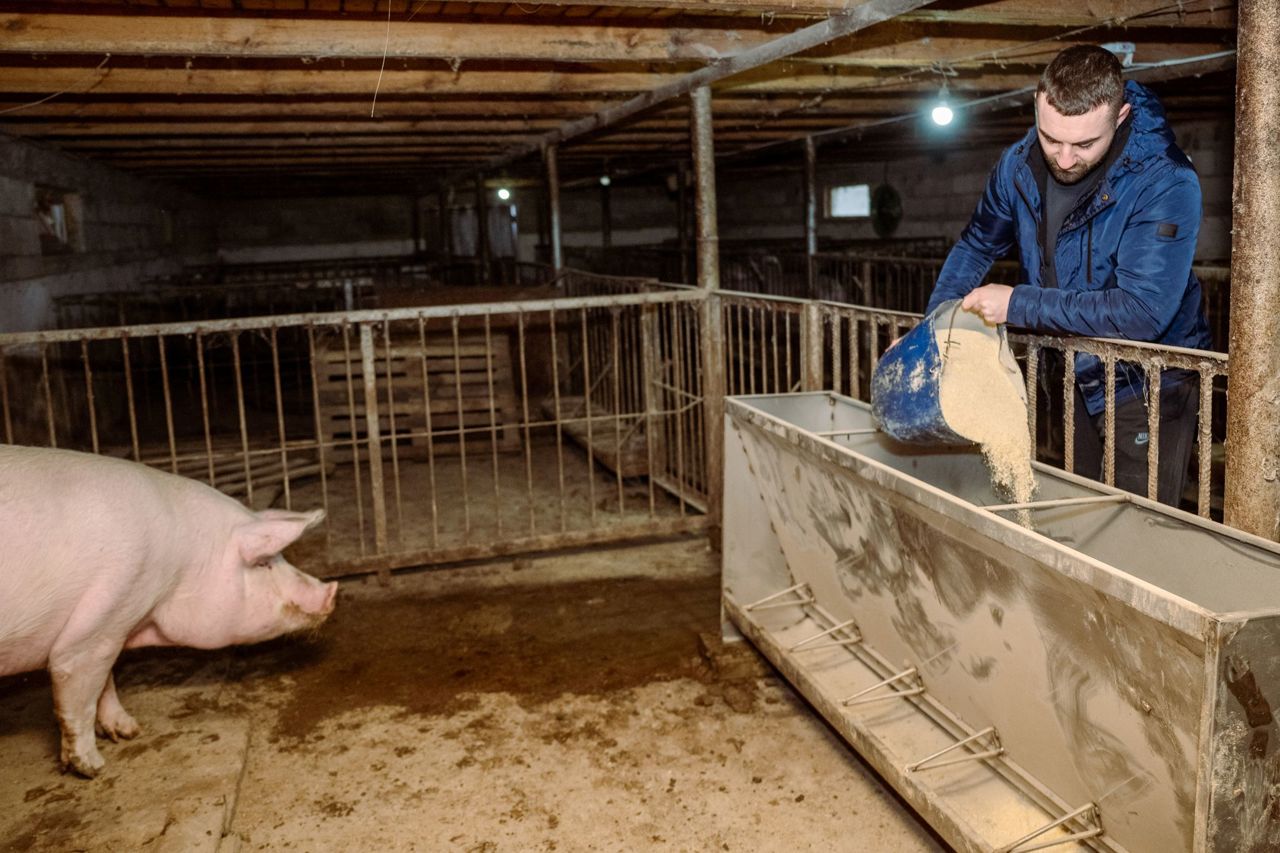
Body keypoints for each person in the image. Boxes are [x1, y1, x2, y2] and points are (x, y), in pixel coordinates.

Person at [922, 44, 1213, 507]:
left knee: (1137, 523)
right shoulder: (1017, 166)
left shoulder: (1165, 181)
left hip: (1149, 382)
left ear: (1120, 116)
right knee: (1077, 504)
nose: (1063, 158)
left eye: (1083, 144)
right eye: (1050, 137)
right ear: (1038, 103)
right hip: (1074, 366)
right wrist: (934, 327)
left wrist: (1017, 303)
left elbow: (1143, 312)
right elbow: (978, 243)